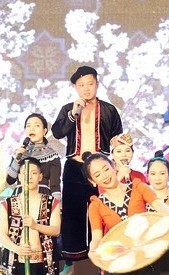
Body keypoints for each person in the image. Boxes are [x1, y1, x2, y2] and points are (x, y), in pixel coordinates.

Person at [51, 65, 123, 263]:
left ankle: (104, 258)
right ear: (75, 87)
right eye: (81, 85)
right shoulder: (68, 109)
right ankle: (71, 261)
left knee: (102, 210)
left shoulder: (109, 109)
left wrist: (122, 145)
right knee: (72, 214)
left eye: (90, 84)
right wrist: (73, 113)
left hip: (100, 168)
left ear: (97, 84)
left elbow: (116, 136)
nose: (86, 88)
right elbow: (57, 132)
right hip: (75, 166)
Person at [6, 113, 61, 199]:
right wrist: (16, 160)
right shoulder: (19, 152)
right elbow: (10, 180)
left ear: (44, 131)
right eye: (28, 126)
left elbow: (55, 186)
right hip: (20, 197)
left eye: (37, 125)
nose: (32, 129)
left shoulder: (52, 155)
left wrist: (57, 205)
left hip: (42, 197)